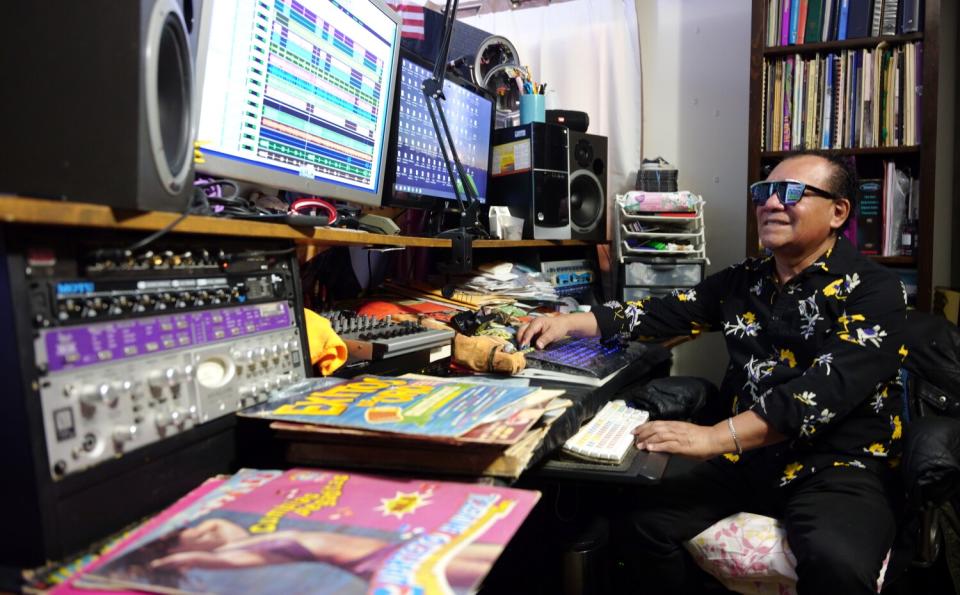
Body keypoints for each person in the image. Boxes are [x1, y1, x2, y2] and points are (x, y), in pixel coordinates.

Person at [517, 152, 906, 594]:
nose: (772, 203)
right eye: (764, 192)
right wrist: (571, 322)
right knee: (640, 526)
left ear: (838, 211)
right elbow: (665, 312)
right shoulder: (745, 280)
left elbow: (822, 392)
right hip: (749, 461)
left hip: (836, 464)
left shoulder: (875, 289)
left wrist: (714, 438)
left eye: (792, 192)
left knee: (838, 563)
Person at [98, 516, 502, 592]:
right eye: (192, 535)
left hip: (398, 556)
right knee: (479, 566)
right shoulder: (249, 548)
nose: (205, 528)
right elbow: (218, 556)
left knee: (483, 562)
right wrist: (173, 560)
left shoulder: (267, 535)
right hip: (392, 566)